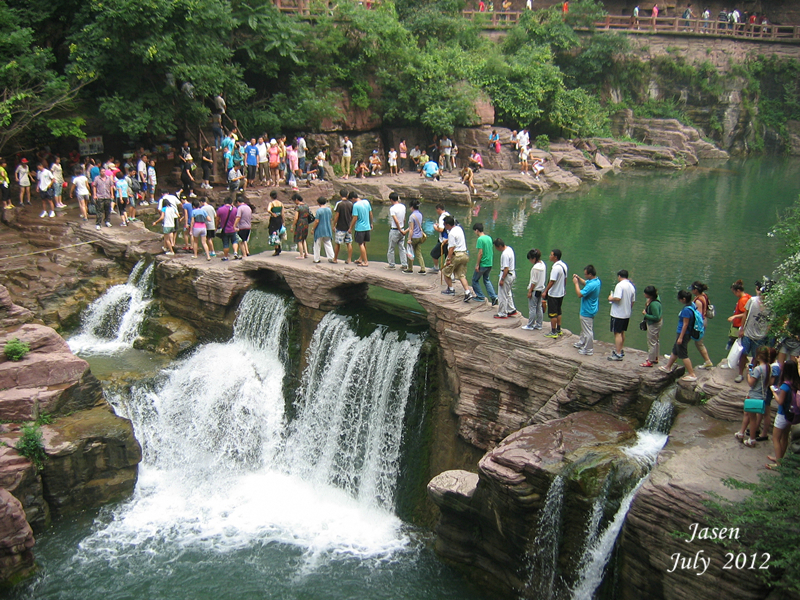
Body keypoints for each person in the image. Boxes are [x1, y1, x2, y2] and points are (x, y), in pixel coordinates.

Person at [734, 346, 772, 448]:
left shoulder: (758, 369)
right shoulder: (769, 368)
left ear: (759, 356)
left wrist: (748, 373)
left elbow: (751, 383)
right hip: (761, 396)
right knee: (747, 413)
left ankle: (752, 439)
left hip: (754, 395)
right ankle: (741, 433)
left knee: (752, 418)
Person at [659, 290, 700, 382]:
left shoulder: (686, 310)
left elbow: (685, 324)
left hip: (684, 333)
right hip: (686, 333)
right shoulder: (692, 305)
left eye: (680, 299)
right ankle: (668, 367)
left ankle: (692, 374)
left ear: (684, 299)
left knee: (683, 354)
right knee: (675, 350)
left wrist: (681, 337)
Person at [736, 281, 770, 383]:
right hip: (748, 333)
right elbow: (745, 314)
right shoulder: (752, 300)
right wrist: (742, 329)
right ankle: (740, 374)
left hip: (760, 335)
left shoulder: (771, 305)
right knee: (743, 354)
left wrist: (766, 333)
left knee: (757, 356)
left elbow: (771, 321)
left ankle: (752, 373)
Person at [767, 360, 799, 467]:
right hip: (791, 414)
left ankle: (778, 463)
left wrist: (774, 392)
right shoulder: (796, 384)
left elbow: (780, 401)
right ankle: (780, 458)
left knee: (775, 438)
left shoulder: (785, 386)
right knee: (785, 437)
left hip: (782, 414)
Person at [441, 216, 475, 301]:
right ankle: (467, 292)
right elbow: (457, 239)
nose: (444, 226)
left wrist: (448, 259)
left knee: (445, 271)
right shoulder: (459, 228)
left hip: (456, 255)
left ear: (448, 225)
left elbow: (451, 248)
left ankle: (451, 289)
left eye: (445, 225)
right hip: (464, 254)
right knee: (461, 275)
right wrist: (448, 240)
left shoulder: (451, 233)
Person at [572, 265, 601, 355]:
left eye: (585, 274)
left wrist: (576, 284)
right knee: (584, 328)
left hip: (587, 310)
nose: (584, 276)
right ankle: (582, 342)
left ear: (590, 274)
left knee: (588, 330)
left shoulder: (592, 285)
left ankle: (588, 349)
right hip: (590, 309)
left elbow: (580, 294)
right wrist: (579, 278)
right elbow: (586, 283)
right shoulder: (596, 281)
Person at [607, 270, 636, 361]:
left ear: (619, 276)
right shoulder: (631, 286)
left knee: (617, 333)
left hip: (618, 314)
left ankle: (618, 353)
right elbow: (632, 301)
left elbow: (618, 298)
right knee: (622, 332)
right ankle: (621, 349)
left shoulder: (619, 285)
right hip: (626, 313)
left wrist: (611, 298)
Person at [543, 249, 568, 338]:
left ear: (555, 257)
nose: (550, 256)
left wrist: (545, 291)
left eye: (551, 255)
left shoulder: (555, 268)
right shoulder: (564, 265)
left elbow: (552, 281)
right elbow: (565, 279)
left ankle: (553, 332)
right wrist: (563, 288)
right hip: (561, 293)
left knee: (552, 313)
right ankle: (559, 329)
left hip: (553, 294)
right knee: (558, 311)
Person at [690, 281, 714, 369]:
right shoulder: (704, 296)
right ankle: (708, 361)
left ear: (696, 290)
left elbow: (698, 315)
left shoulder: (698, 301)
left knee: (686, 340)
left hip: (699, 323)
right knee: (697, 343)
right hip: (704, 321)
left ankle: (674, 356)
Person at [471, 223, 497, 305]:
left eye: (475, 231)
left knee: (474, 280)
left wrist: (477, 264)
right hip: (489, 263)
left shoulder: (480, 239)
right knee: (486, 280)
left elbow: (480, 253)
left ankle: (480, 296)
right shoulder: (489, 238)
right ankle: (493, 297)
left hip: (483, 263)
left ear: (477, 230)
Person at [491, 239, 517, 315]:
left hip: (506, 275)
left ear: (499, 246)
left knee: (502, 294)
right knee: (508, 293)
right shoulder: (510, 249)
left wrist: (502, 279)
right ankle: (511, 309)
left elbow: (506, 268)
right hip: (512, 274)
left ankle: (502, 313)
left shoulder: (505, 254)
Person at [522, 248, 546, 330]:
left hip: (535, 290)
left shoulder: (536, 268)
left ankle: (530, 325)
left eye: (531, 259)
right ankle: (539, 324)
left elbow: (534, 281)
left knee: (532, 308)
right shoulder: (543, 264)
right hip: (541, 289)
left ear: (534, 258)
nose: (530, 261)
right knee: (539, 307)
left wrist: (529, 291)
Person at [640, 286, 663, 367]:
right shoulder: (656, 298)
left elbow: (656, 317)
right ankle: (655, 357)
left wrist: (646, 314)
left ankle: (650, 361)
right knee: (656, 340)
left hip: (654, 324)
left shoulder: (653, 304)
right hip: (658, 323)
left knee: (651, 342)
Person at [726, 279, 751, 352]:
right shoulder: (748, 296)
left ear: (738, 291)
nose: (734, 294)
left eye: (734, 292)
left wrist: (734, 316)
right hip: (740, 325)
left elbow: (745, 313)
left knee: (734, 345)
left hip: (738, 327)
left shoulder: (743, 300)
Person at [404, 200, 427, 274]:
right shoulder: (420, 214)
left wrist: (409, 239)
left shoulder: (412, 216)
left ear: (411, 207)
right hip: (420, 236)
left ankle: (410, 268)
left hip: (414, 236)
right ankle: (423, 268)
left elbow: (411, 229)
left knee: (410, 252)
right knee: (418, 253)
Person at [386, 192, 407, 270]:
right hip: (402, 228)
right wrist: (402, 229)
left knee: (391, 248)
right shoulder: (403, 206)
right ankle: (404, 264)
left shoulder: (392, 208)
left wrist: (399, 229)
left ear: (391, 199)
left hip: (395, 230)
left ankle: (391, 264)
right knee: (402, 247)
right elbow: (404, 219)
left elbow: (396, 221)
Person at [350, 193, 373, 266]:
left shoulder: (356, 205)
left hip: (360, 228)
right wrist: (371, 223)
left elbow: (355, 217)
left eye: (351, 200)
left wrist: (350, 227)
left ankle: (365, 262)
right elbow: (370, 213)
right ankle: (360, 259)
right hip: (367, 227)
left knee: (360, 244)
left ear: (353, 198)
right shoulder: (366, 202)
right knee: (364, 243)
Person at [311, 197, 335, 263]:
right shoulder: (329, 210)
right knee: (328, 243)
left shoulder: (319, 211)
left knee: (317, 244)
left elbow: (317, 221)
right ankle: (331, 257)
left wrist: (313, 229)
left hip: (319, 230)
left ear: (318, 203)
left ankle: (316, 259)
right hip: (327, 229)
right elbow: (330, 219)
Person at [333, 190, 354, 264]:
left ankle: (335, 259)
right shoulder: (351, 204)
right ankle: (349, 259)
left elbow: (337, 216)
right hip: (348, 227)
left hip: (340, 227)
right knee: (349, 243)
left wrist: (333, 225)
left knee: (337, 243)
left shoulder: (339, 204)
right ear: (347, 195)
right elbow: (352, 215)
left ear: (340, 195)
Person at [430, 204, 450, 274]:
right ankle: (451, 274)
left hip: (443, 241)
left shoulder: (442, 217)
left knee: (433, 253)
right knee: (448, 258)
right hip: (450, 240)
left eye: (436, 210)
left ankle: (436, 268)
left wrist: (435, 227)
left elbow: (441, 229)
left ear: (439, 209)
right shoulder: (448, 214)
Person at [293, 193, 311, 259]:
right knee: (304, 238)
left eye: (294, 201)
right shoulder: (306, 206)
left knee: (299, 239)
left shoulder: (298, 207)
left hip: (300, 223)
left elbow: (296, 218)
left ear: (297, 200)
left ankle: (301, 255)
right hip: (306, 222)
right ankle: (306, 253)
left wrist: (293, 226)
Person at [267, 190, 284, 256]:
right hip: (279, 219)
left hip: (273, 219)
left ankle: (276, 249)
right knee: (278, 232)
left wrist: (272, 213)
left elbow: (268, 210)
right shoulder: (280, 203)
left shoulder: (271, 203)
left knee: (273, 233)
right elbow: (283, 213)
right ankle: (279, 247)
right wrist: (283, 221)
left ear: (271, 196)